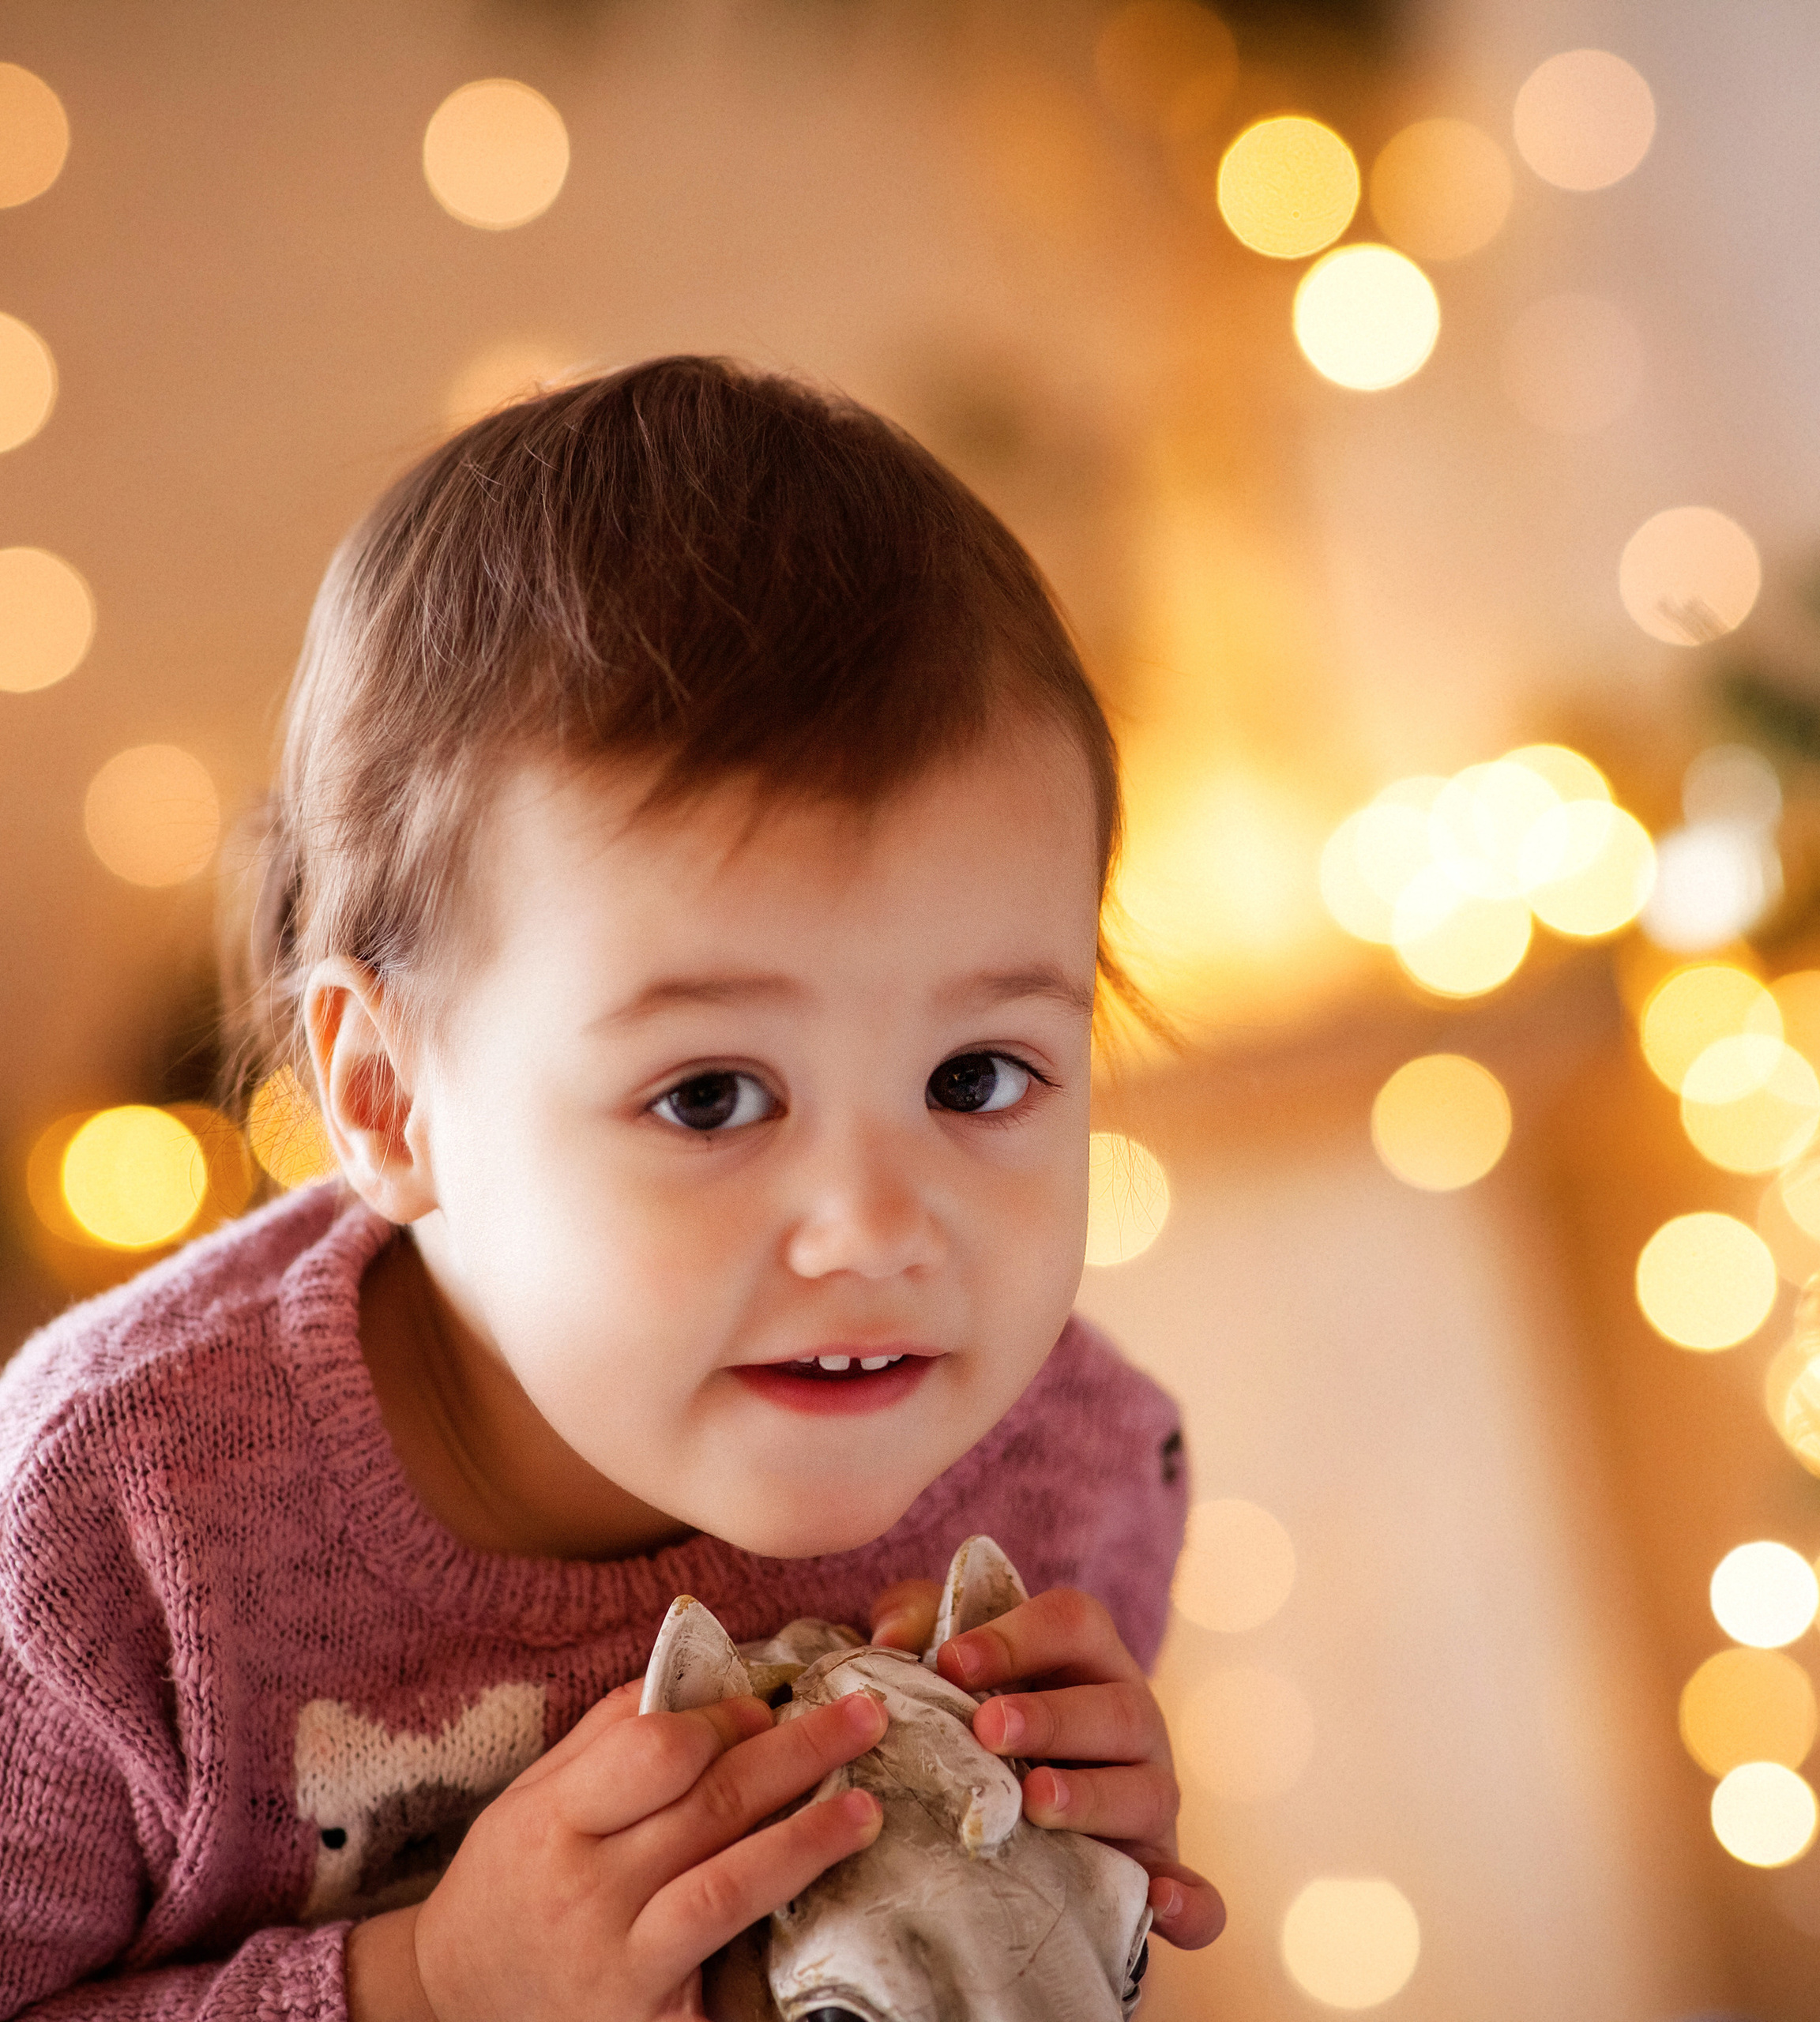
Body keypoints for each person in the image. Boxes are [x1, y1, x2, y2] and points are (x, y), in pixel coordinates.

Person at [0, 357, 1224, 2020]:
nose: (875, 1223)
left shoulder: (1067, 1470)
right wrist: (423, 1983)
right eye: (710, 1094)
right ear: (386, 1093)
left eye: (974, 1077)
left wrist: (1082, 1879)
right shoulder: (113, 1536)